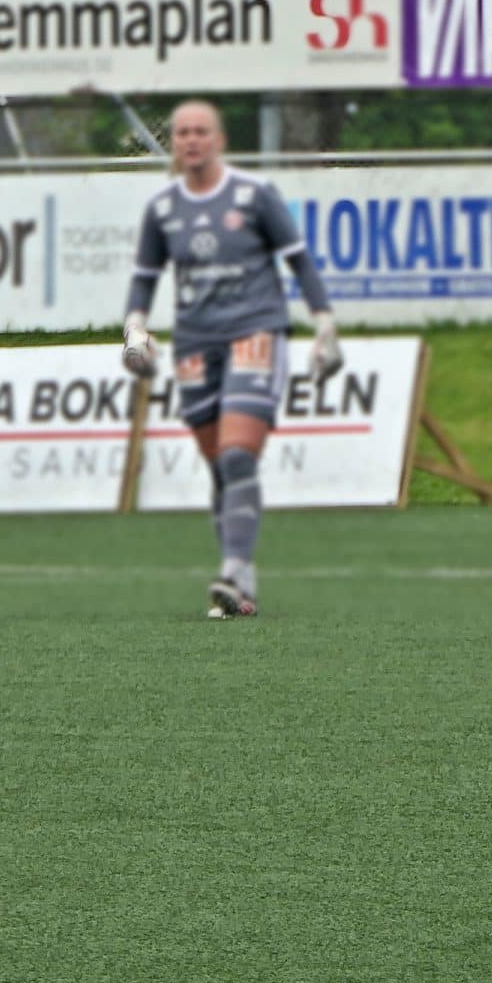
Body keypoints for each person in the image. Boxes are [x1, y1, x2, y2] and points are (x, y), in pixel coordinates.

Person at [120, 99, 343, 619]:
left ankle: (234, 570)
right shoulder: (163, 209)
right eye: (182, 133)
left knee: (239, 454)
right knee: (221, 467)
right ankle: (241, 588)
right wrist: (134, 330)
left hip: (254, 331)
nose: (191, 140)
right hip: (195, 343)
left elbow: (300, 261)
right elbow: (145, 278)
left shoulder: (254, 194)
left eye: (201, 131)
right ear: (174, 144)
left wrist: (325, 325)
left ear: (219, 140)